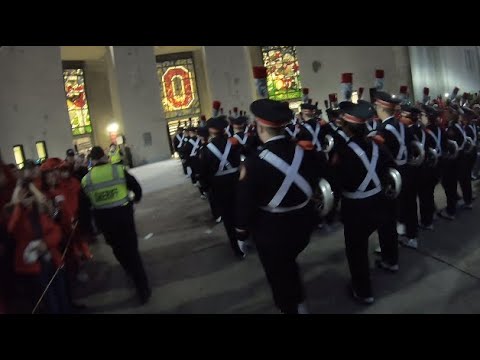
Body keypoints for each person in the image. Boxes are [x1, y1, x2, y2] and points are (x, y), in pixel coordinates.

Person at [235, 99, 327, 314]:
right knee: (289, 263)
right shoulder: (304, 151)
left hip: (273, 230)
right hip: (304, 223)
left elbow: (244, 201)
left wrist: (241, 231)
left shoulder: (253, 162)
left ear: (259, 127)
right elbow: (318, 178)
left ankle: (291, 307)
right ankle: (300, 300)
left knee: (277, 273)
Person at [329, 101, 398, 304]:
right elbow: (391, 169)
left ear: (347, 127)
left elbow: (335, 183)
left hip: (356, 208)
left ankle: (363, 291)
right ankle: (390, 261)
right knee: (388, 230)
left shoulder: (342, 152)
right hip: (379, 200)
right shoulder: (377, 144)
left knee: (356, 249)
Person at [78, 146, 151, 304]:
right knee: (133, 252)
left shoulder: (86, 180)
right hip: (124, 217)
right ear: (104, 157)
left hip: (105, 221)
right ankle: (143, 290)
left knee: (117, 248)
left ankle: (127, 268)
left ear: (92, 160)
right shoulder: (118, 171)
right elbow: (136, 187)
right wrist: (135, 199)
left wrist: (88, 228)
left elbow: (83, 206)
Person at [198, 115, 244, 258]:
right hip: (238, 184)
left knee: (228, 219)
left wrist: (207, 188)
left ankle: (237, 249)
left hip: (220, 189)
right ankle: (246, 240)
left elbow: (203, 174)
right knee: (242, 213)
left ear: (211, 131)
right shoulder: (234, 143)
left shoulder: (206, 150)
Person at [370, 91, 404, 256]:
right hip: (401, 170)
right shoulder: (398, 124)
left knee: (386, 217)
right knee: (394, 211)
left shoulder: (383, 129)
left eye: (376, 106)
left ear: (381, 108)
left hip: (388, 177)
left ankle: (388, 251)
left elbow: (380, 157)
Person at [438, 106, 471, 219]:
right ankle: (468, 201)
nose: (445, 114)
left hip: (454, 159)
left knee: (449, 185)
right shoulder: (458, 125)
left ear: (452, 114)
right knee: (464, 181)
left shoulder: (452, 127)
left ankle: (451, 211)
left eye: (447, 113)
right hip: (461, 157)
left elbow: (450, 144)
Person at [418, 105, 447, 230]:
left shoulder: (425, 132)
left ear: (428, 117)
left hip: (429, 166)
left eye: (423, 115)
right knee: (429, 193)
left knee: (425, 194)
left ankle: (427, 221)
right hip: (439, 164)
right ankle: (432, 213)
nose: (420, 117)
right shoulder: (440, 130)